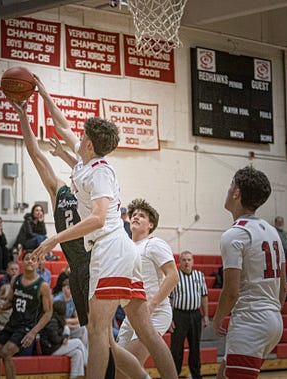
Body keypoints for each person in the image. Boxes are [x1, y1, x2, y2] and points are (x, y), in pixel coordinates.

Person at [28, 76, 177, 379]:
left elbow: (98, 218)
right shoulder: (85, 161)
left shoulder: (100, 172)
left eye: (82, 135)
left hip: (109, 247)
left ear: (90, 143)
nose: (77, 135)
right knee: (146, 331)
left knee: (97, 331)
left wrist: (55, 237)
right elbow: (63, 125)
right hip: (121, 250)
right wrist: (43, 93)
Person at [213, 166, 286, 379]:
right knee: (223, 374)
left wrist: (217, 319)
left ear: (237, 192)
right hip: (273, 319)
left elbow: (231, 291)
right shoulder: (272, 232)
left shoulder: (234, 234)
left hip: (250, 320)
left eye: (230, 185)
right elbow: (282, 287)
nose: (228, 190)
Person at [117, 198, 180, 376]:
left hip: (155, 312)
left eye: (142, 216)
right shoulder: (126, 246)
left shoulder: (154, 244)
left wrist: (152, 304)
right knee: (119, 369)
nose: (136, 217)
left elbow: (173, 276)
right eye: (134, 214)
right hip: (132, 314)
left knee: (131, 363)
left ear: (150, 224)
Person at [0, 250, 53, 379]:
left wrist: (33, 332)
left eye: (33, 259)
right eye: (27, 258)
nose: (30, 261)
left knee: (6, 354)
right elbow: (10, 302)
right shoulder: (15, 279)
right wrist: (0, 308)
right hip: (12, 324)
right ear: (22, 262)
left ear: (37, 263)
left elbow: (48, 312)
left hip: (26, 327)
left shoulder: (42, 286)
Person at [169, 251, 209, 379]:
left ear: (193, 261)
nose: (186, 262)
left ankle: (196, 375)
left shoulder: (199, 275)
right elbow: (168, 298)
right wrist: (170, 319)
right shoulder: (174, 276)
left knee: (195, 347)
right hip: (179, 315)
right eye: (184, 260)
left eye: (189, 259)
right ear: (179, 262)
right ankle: (174, 375)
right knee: (176, 348)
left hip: (195, 315)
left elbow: (204, 296)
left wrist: (206, 315)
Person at [40, 300, 88, 379]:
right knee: (78, 342)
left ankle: (74, 377)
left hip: (54, 346)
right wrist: (62, 339)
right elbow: (53, 338)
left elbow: (59, 333)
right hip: (50, 349)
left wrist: (64, 336)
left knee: (78, 353)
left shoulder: (57, 318)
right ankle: (88, 363)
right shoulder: (52, 320)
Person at [53, 279, 88, 346]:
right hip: (58, 328)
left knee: (83, 328)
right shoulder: (57, 301)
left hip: (67, 325)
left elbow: (79, 319)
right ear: (63, 289)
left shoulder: (73, 300)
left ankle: (85, 353)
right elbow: (57, 321)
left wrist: (68, 322)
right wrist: (71, 323)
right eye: (69, 288)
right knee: (67, 329)